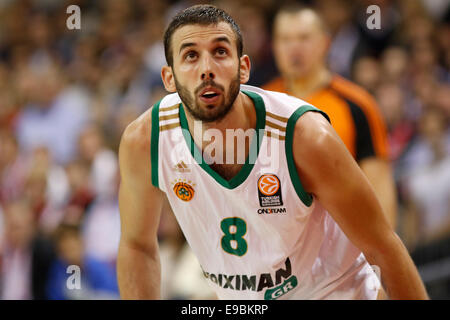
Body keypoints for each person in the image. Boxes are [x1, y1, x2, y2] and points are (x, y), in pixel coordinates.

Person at [117, 4, 428, 300]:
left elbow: (382, 246)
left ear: (244, 68)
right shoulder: (145, 140)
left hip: (335, 290)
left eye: (220, 52)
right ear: (169, 78)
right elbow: (137, 246)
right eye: (190, 56)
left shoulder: (306, 136)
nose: (207, 69)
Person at [262, 6, 398, 228]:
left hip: (343, 236)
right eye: (285, 39)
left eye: (304, 38)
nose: (294, 47)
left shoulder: (357, 104)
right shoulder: (262, 104)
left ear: (325, 43)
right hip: (282, 238)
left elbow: (379, 185)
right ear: (274, 47)